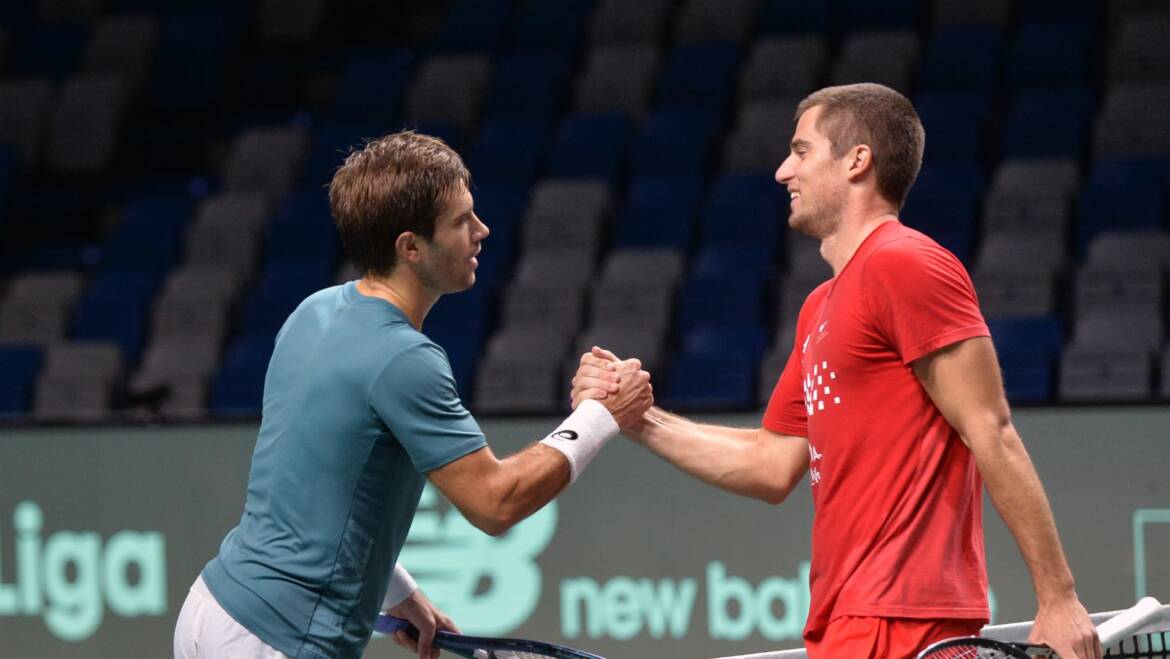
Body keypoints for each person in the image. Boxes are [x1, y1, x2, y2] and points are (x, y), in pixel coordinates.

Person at [571, 83, 1101, 659]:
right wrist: (638, 418)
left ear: (857, 160)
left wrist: (1058, 598)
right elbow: (770, 465)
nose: (781, 172)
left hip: (905, 621)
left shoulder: (908, 263)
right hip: (844, 621)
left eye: (800, 152)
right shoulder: (819, 307)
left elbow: (991, 431)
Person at [173, 131, 653, 659]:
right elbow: (496, 502)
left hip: (212, 609)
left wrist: (399, 592)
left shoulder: (315, 310)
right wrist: (600, 415)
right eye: (461, 221)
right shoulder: (404, 359)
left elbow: (313, 491)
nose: (482, 230)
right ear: (411, 246)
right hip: (278, 640)